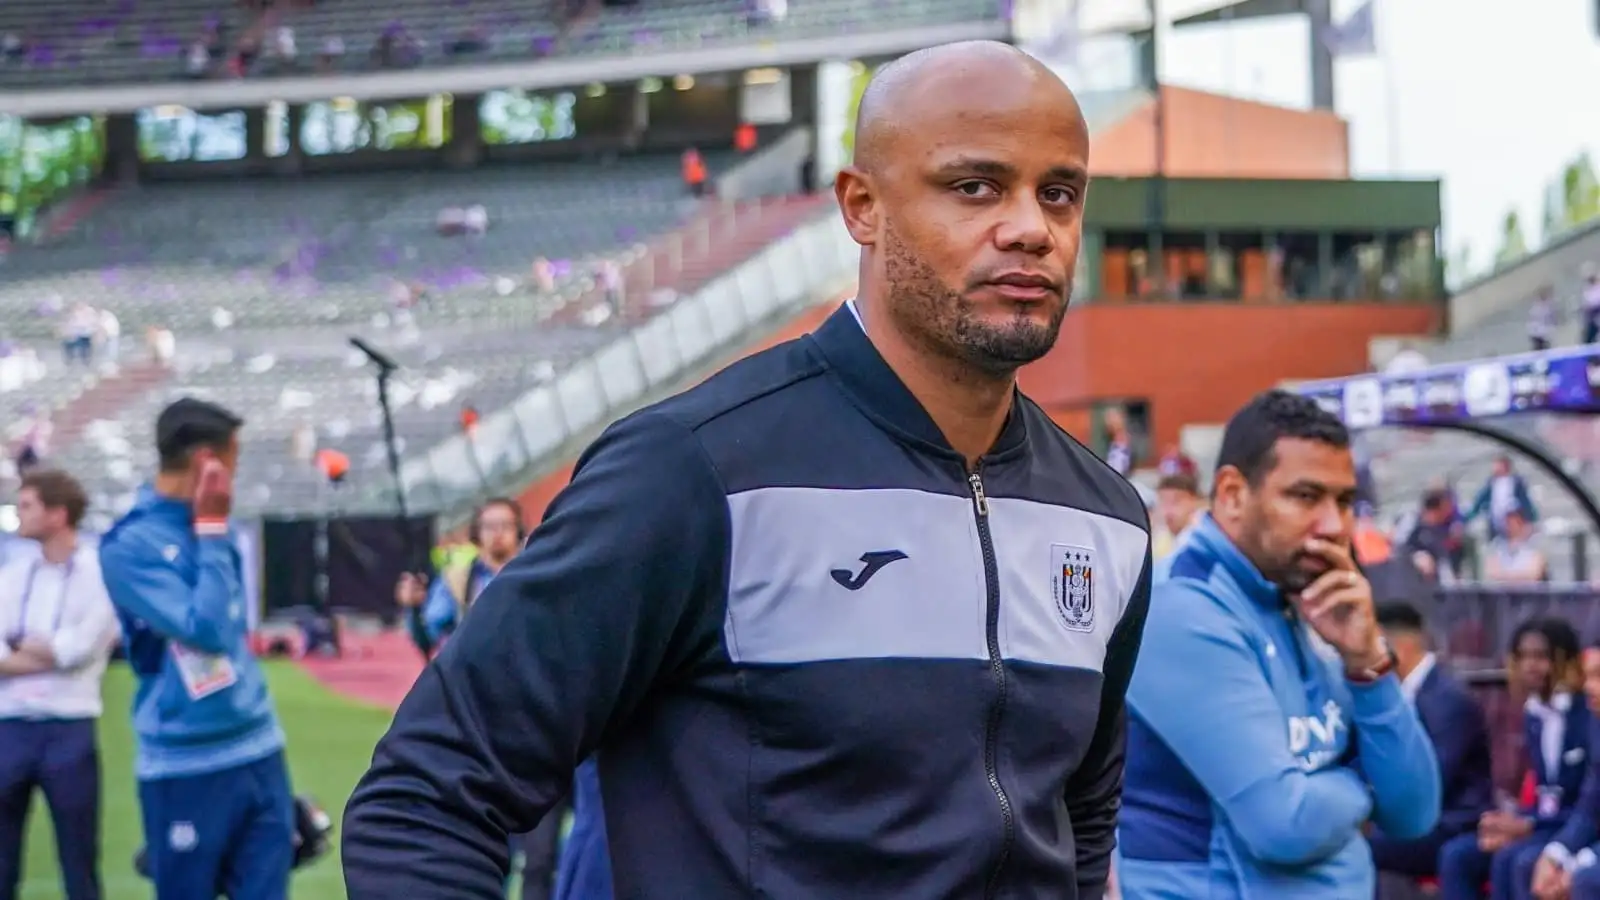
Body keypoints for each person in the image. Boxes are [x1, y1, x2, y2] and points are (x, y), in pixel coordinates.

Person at [343, 40, 1153, 899]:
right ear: (862, 206)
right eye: (975, 187)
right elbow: (425, 799)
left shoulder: (1105, 516)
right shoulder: (694, 471)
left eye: (1058, 193)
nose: (1030, 227)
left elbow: (1079, 825)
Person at [1117, 389, 1440, 899]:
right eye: (1306, 497)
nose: (1333, 527)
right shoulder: (1180, 605)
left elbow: (1415, 810)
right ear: (1231, 494)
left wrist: (1369, 661)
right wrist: (1364, 785)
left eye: (1344, 501)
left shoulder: (1307, 596)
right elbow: (1284, 825)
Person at [99, 398, 294, 900]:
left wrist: (213, 528)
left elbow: (230, 629)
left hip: (259, 746)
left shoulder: (216, 523)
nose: (234, 474)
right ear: (208, 459)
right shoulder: (128, 546)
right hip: (185, 762)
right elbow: (205, 630)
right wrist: (211, 528)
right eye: (233, 460)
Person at [393, 499, 565, 900]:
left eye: (505, 525)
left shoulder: (541, 573)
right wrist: (414, 610)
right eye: (489, 526)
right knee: (488, 851)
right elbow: (427, 641)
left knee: (541, 858)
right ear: (477, 534)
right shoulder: (459, 582)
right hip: (480, 733)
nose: (497, 534)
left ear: (520, 532)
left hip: (539, 732)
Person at [0, 470, 120, 900]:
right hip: (10, 727)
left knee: (79, 861)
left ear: (57, 514)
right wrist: (48, 652)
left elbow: (80, 649)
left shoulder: (97, 571)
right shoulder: (13, 572)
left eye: (28, 505)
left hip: (69, 727)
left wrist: (23, 649)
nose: (19, 514)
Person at [1438, 618, 1589, 900]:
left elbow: (1588, 806)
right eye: (1523, 656)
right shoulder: (1533, 715)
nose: (1530, 665)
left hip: (1574, 828)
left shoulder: (1587, 715)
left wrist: (1527, 825)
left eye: (1541, 656)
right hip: (1546, 822)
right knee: (1457, 855)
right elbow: (1547, 797)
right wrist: (1510, 821)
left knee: (1515, 860)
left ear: (1566, 660)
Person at [1368, 602, 1493, 891]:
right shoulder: (1396, 693)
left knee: (1357, 847)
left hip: (1453, 823)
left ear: (1397, 646)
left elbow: (1433, 779)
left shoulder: (1448, 699)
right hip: (1416, 818)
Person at [1530, 643, 1600, 900]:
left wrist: (1578, 862)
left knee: (1587, 880)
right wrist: (1555, 854)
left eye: (1599, 675)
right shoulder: (1597, 723)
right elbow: (1590, 806)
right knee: (1533, 864)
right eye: (1587, 675)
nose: (1588, 686)